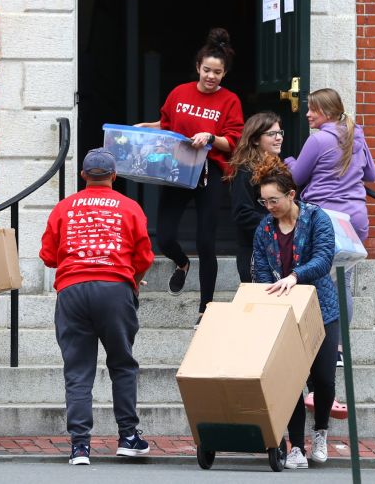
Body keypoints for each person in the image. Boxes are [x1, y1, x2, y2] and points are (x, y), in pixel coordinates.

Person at [39, 148, 155, 466]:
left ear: (84, 176)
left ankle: (79, 446)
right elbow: (145, 256)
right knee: (122, 364)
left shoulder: (64, 208)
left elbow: (49, 256)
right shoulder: (129, 207)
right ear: (114, 176)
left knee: (78, 371)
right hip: (115, 289)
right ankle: (129, 437)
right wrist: (132, 279)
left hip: (72, 290)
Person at [136, 27, 244, 325]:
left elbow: (233, 140)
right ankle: (182, 263)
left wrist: (210, 136)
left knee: (206, 242)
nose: (211, 76)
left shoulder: (230, 101)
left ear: (224, 74)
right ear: (198, 67)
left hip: (209, 175)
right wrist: (146, 128)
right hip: (178, 170)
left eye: (217, 72)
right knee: (166, 236)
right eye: (207, 70)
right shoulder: (179, 93)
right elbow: (168, 124)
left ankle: (205, 307)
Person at [252, 156, 339, 469]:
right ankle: (296, 446)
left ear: (291, 195)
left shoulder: (317, 219)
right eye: (264, 201)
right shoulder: (264, 229)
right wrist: (267, 294)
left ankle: (321, 431)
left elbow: (323, 260)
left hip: (320, 309)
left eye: (274, 200)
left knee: (325, 380)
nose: (269, 207)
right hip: (283, 312)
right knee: (291, 381)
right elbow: (260, 269)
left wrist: (293, 276)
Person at [285, 87, 375, 361]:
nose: (308, 114)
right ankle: (339, 349)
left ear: (326, 112)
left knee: (316, 282)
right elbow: (371, 174)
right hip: (355, 221)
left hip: (325, 219)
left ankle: (317, 345)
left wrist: (289, 160)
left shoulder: (318, 140)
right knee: (343, 284)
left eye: (312, 109)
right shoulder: (355, 134)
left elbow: (297, 177)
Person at [226, 111, 285, 283]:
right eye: (271, 134)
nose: (278, 138)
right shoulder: (244, 172)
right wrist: (278, 226)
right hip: (254, 252)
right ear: (255, 140)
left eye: (280, 132)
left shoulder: (281, 169)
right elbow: (242, 214)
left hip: (280, 250)